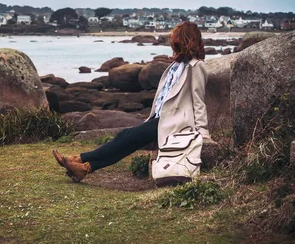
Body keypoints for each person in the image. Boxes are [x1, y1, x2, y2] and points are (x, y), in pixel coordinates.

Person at [53, 21, 210, 183]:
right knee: (127, 143)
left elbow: (199, 101)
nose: (172, 40)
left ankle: (79, 158)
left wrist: (203, 133)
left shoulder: (196, 67)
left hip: (177, 122)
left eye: (175, 37)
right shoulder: (176, 65)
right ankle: (84, 168)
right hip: (160, 118)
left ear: (184, 39)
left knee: (125, 136)